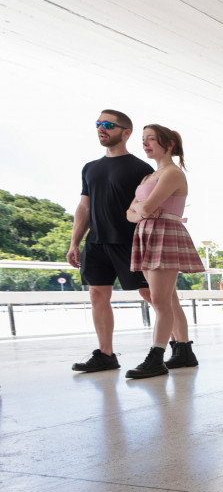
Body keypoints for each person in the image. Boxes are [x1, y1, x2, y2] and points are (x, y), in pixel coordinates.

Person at [70, 110, 155, 374]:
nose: (100, 128)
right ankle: (106, 355)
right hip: (96, 243)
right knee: (97, 294)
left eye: (107, 125)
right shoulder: (90, 168)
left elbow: (149, 209)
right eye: (97, 124)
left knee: (152, 295)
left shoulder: (141, 168)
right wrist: (75, 243)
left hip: (129, 243)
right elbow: (84, 208)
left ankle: (176, 346)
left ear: (125, 132)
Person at [124, 123, 205, 379]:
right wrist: (141, 210)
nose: (146, 144)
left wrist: (141, 209)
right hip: (148, 234)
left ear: (168, 144)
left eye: (152, 140)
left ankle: (156, 357)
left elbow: (143, 209)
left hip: (164, 234)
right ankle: (184, 352)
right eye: (143, 140)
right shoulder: (148, 177)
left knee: (159, 300)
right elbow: (130, 214)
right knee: (169, 299)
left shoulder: (172, 173)